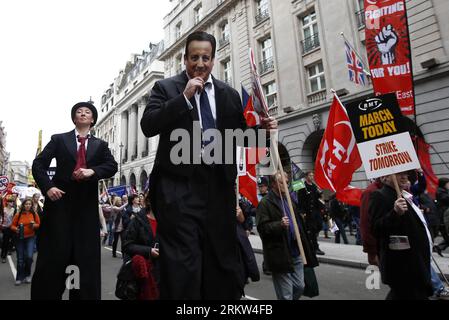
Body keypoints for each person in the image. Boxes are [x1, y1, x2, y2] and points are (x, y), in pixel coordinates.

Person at [141, 31, 277, 299]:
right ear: (185, 59)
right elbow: (149, 125)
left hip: (218, 190)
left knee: (219, 265)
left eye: (205, 57)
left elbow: (240, 139)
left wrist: (265, 131)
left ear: (214, 60)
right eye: (194, 58)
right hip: (178, 190)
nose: (200, 64)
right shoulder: (166, 88)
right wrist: (184, 97)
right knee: (183, 267)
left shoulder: (228, 94)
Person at [31, 101, 118, 300]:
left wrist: (93, 171)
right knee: (53, 261)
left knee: (84, 265)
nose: (83, 113)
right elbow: (39, 164)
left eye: (87, 112)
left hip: (86, 211)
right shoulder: (59, 140)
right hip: (59, 206)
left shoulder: (100, 145)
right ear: (74, 118)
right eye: (79, 111)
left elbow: (111, 166)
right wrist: (48, 187)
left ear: (92, 119)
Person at [369, 172, 433, 299]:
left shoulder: (404, 195)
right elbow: (376, 228)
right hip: (403, 266)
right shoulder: (379, 196)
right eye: (398, 174)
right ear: (385, 177)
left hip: (415, 262)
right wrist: (395, 213)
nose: (404, 177)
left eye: (405, 174)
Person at [257, 172, 318, 300]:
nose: (286, 185)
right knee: (286, 295)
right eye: (281, 182)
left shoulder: (289, 199)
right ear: (273, 184)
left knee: (300, 286)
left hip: (296, 251)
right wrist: (279, 225)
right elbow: (262, 228)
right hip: (280, 253)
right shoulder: (265, 203)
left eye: (287, 182)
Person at [122, 193, 160, 295]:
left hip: (165, 275)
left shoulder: (169, 221)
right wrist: (148, 251)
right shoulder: (138, 220)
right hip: (143, 276)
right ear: (149, 201)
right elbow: (127, 245)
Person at [10, 198, 40, 285]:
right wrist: (16, 229)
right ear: (23, 205)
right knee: (20, 259)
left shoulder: (34, 214)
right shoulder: (18, 214)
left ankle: (27, 274)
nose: (28, 205)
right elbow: (12, 226)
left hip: (30, 237)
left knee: (29, 257)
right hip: (19, 239)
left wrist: (34, 225)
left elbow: (38, 224)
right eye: (26, 204)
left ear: (31, 205)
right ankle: (19, 277)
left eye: (29, 204)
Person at [297, 172, 325, 255]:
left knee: (320, 226)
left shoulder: (314, 186)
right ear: (306, 177)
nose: (312, 177)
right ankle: (315, 247)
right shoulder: (302, 187)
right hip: (308, 212)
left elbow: (318, 198)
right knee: (312, 229)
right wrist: (302, 212)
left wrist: (321, 196)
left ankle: (310, 239)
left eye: (313, 175)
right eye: (310, 175)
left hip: (316, 211)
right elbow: (300, 200)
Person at [1, 195, 16, 263]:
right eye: (10, 201)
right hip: (5, 227)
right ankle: (3, 256)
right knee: (5, 241)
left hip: (12, 227)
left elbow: (15, 219)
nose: (11, 203)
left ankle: (8, 250)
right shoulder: (3, 209)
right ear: (7, 202)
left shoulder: (14, 210)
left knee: (12, 240)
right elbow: (1, 218)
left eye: (12, 202)